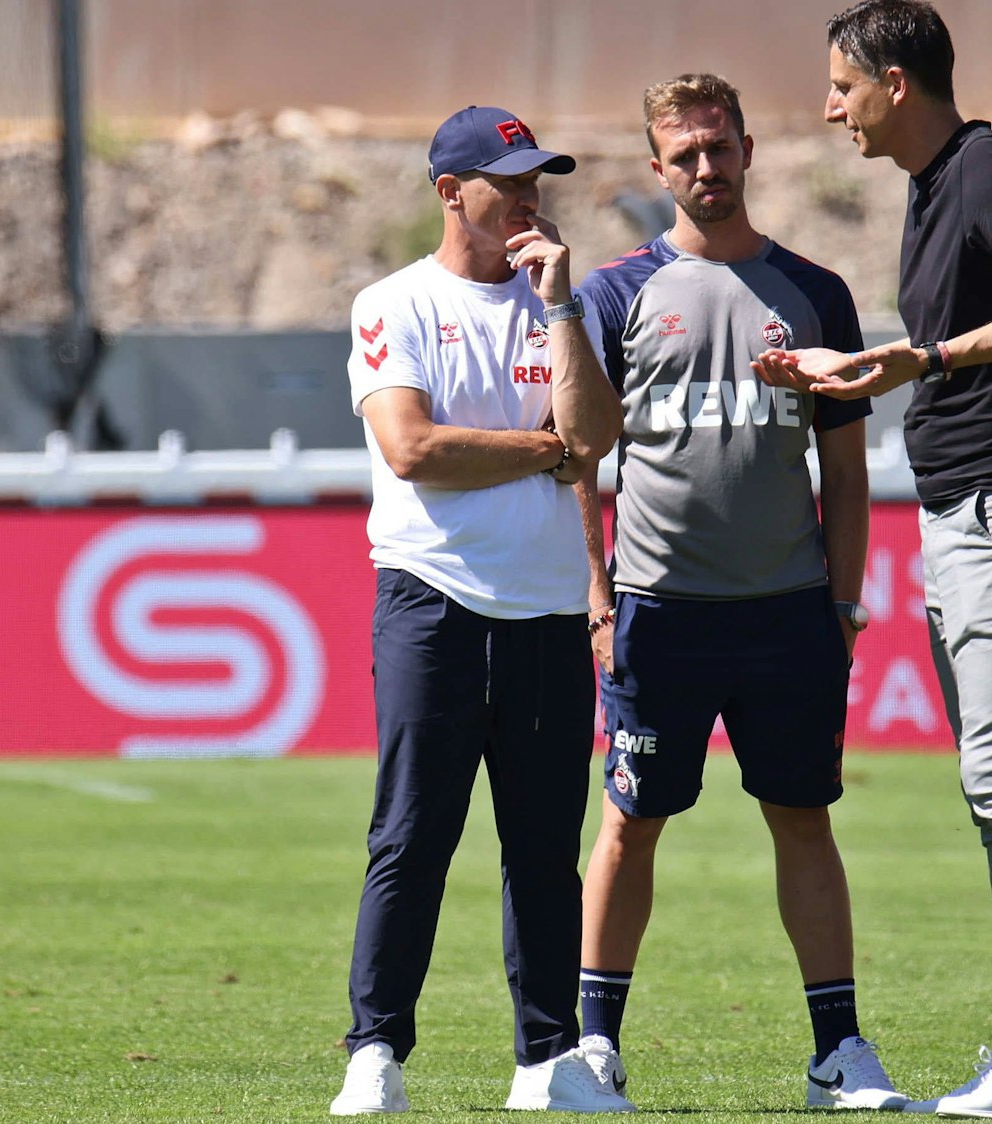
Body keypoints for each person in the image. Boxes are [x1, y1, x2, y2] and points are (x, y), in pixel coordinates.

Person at [753, 2, 992, 1117]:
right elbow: (944, 350)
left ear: (896, 82)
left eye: (842, 86)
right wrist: (874, 371)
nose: (830, 107)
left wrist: (932, 354)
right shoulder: (936, 184)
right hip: (969, 508)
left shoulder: (983, 166)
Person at [570, 73, 908, 1112]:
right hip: (657, 612)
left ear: (749, 150)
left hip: (786, 613)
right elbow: (581, 462)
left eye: (720, 148)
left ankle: (838, 1050)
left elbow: (846, 473)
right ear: (658, 169)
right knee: (629, 821)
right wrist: (597, 598)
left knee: (802, 818)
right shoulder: (616, 294)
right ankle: (593, 1046)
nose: (706, 168)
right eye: (685, 155)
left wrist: (843, 603)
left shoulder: (816, 292)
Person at [329, 105, 631, 1116]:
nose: (529, 197)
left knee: (544, 850)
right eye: (509, 180)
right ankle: (376, 1050)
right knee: (412, 837)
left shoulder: (559, 308)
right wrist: (540, 449)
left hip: (545, 612)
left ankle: (546, 1062)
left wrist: (562, 312)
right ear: (451, 191)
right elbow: (414, 450)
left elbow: (594, 438)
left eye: (537, 179)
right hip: (434, 605)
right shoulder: (394, 301)